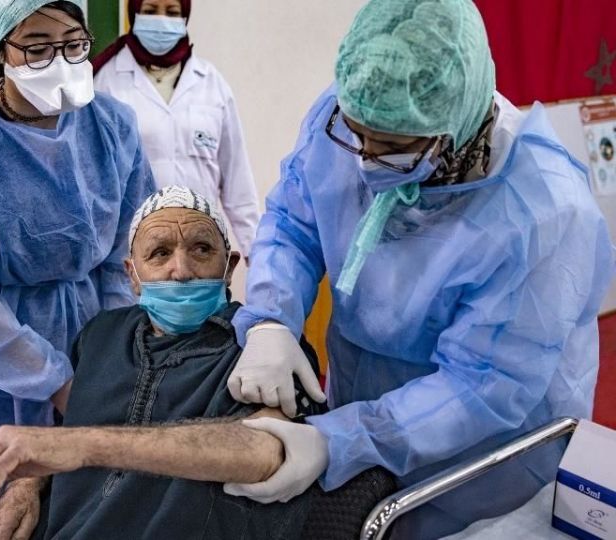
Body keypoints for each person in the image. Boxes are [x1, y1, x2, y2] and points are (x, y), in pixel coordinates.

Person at [224, 0, 616, 537]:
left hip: (482, 463)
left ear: (453, 131)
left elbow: (483, 385)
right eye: (356, 136)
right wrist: (271, 318)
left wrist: (341, 442)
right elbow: (295, 220)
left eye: (392, 148)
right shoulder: (348, 117)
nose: (363, 160)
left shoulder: (541, 213)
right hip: (362, 399)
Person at [0, 1, 156, 536]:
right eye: (37, 48)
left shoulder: (111, 127)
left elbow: (129, 248)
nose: (60, 60)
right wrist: (53, 378)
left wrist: (107, 352)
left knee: (96, 505)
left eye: (74, 44)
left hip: (100, 336)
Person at [0, 187, 330, 540]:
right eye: (160, 253)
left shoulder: (266, 348)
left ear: (228, 267)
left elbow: (270, 452)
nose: (180, 270)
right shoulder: (102, 335)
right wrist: (27, 485)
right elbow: (68, 425)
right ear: (133, 275)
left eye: (200, 249)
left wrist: (84, 446)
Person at [92, 0, 260, 257]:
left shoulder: (211, 83)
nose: (161, 20)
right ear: (134, 13)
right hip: (130, 251)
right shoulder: (106, 81)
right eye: (150, 11)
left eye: (172, 12)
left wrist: (255, 251)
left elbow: (238, 183)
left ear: (185, 16)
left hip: (201, 245)